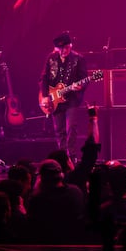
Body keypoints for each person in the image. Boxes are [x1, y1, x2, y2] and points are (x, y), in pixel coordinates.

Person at [39, 32, 89, 160]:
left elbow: (85, 79)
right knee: (59, 129)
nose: (63, 51)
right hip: (54, 98)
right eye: (60, 49)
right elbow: (44, 78)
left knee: (71, 127)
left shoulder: (78, 59)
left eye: (66, 48)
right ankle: (62, 157)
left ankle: (71, 155)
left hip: (72, 99)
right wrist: (45, 96)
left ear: (70, 46)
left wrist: (80, 86)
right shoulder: (51, 58)